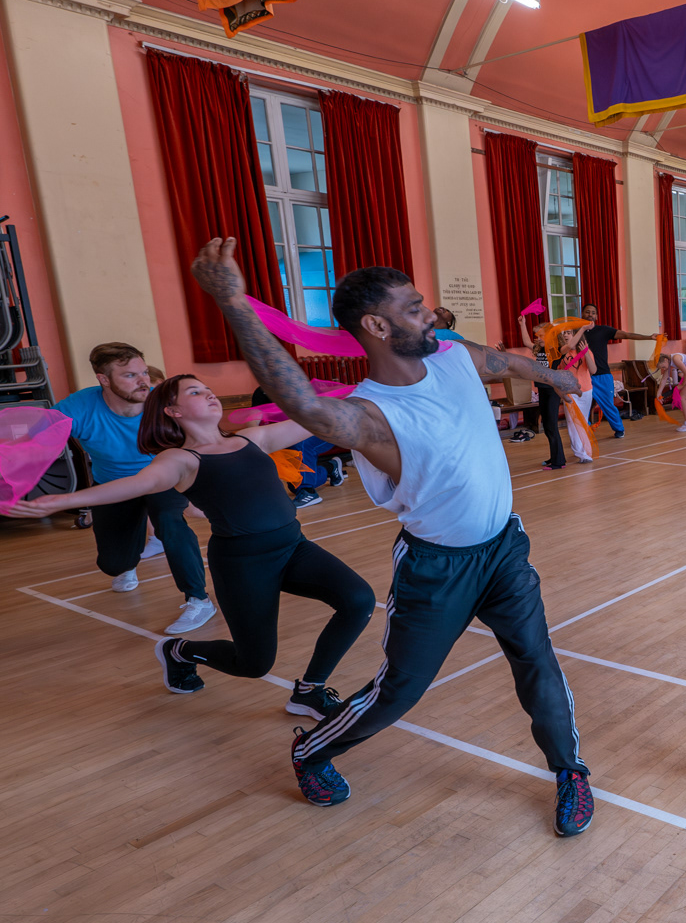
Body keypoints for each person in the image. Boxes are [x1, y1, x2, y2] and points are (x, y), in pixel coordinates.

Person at [188, 238, 593, 834]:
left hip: (505, 549)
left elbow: (504, 362)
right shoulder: (369, 414)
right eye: (412, 307)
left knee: (537, 660)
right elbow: (298, 400)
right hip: (437, 569)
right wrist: (233, 303)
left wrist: (555, 375)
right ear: (375, 326)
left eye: (422, 302)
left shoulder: (453, 358)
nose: (428, 313)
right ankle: (312, 750)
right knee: (399, 690)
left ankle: (571, 772)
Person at [12, 374, 376, 719]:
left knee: (358, 600)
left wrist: (366, 392)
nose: (208, 393)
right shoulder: (180, 460)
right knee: (253, 664)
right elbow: (135, 486)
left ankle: (309, 690)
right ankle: (179, 651)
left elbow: (314, 418)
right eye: (195, 392)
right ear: (174, 411)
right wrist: (58, 501)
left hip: (294, 547)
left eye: (206, 388)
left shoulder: (252, 439)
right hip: (243, 565)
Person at [54, 342, 214, 635]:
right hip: (114, 486)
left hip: (162, 477)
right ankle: (129, 556)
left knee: (170, 522)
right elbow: (40, 438)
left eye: (143, 372)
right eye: (130, 375)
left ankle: (198, 599)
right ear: (104, 379)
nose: (143, 381)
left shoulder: (161, 402)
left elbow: (203, 437)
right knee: (114, 564)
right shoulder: (78, 407)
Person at [579, 302, 656, 438]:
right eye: (587, 312)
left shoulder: (603, 330)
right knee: (583, 405)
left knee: (608, 405)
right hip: (582, 375)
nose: (590, 314)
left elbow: (627, 335)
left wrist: (649, 337)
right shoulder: (576, 333)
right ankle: (585, 429)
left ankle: (619, 429)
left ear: (596, 316)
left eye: (593, 312)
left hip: (602, 375)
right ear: (582, 314)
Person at [517, 316, 569, 469]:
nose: (536, 339)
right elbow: (527, 342)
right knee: (546, 425)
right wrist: (522, 324)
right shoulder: (539, 349)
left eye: (540, 336)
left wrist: (583, 330)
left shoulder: (556, 351)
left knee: (552, 425)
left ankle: (559, 461)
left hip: (552, 391)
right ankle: (555, 457)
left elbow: (569, 345)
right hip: (542, 389)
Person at [560, 328, 596, 464]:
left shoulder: (586, 351)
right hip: (570, 391)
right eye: (564, 333)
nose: (566, 335)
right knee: (572, 421)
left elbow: (593, 370)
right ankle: (581, 453)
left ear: (576, 335)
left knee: (582, 421)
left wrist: (586, 353)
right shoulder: (563, 352)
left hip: (586, 390)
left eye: (568, 332)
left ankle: (585, 450)